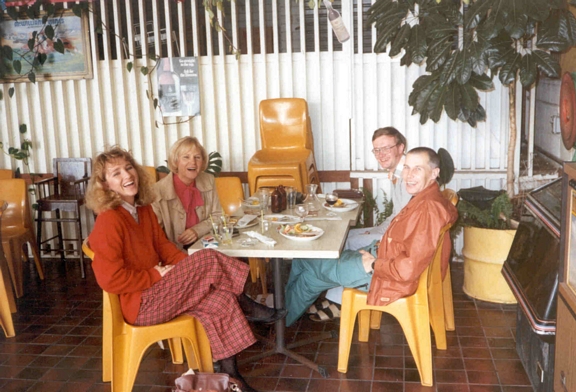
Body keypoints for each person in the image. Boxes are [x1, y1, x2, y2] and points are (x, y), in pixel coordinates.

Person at [86, 146, 285, 392]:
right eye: (116, 173)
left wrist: (188, 269)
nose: (127, 175)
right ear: (105, 185)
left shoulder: (143, 208)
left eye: (128, 168)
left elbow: (163, 247)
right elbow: (109, 280)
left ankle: (232, 376)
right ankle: (246, 302)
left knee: (220, 298)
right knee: (209, 258)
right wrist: (154, 274)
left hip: (160, 290)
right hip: (141, 305)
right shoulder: (109, 219)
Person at [285, 147, 458, 326]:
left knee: (306, 260)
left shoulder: (427, 209)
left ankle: (281, 321)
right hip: (383, 260)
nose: (409, 175)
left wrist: (375, 264)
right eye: (406, 167)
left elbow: (409, 267)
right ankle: (282, 317)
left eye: (417, 169)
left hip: (385, 275)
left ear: (434, 173)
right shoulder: (426, 198)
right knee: (310, 272)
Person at [310, 127, 409, 321]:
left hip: (399, 242)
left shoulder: (408, 175)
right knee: (345, 237)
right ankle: (334, 296)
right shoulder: (397, 171)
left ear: (400, 147)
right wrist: (375, 229)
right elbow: (398, 214)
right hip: (393, 230)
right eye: (376, 150)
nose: (381, 154)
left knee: (343, 243)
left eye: (386, 148)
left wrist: (377, 234)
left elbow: (405, 222)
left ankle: (339, 301)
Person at [152, 136, 221, 250]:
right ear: (175, 161)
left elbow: (218, 215)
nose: (193, 162)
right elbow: (156, 234)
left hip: (206, 245)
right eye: (186, 157)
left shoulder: (208, 180)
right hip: (174, 252)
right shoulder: (157, 191)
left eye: (197, 157)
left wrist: (197, 231)